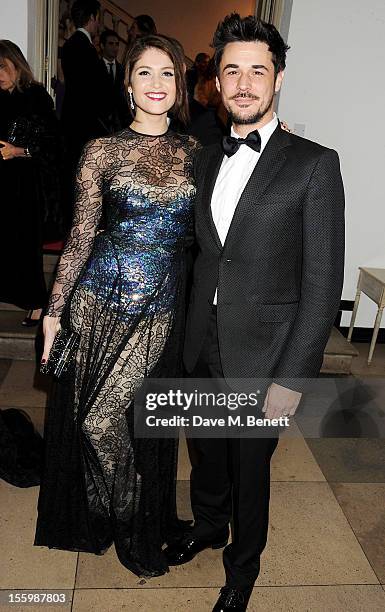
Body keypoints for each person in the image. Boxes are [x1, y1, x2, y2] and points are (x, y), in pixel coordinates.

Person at [165, 13, 345, 612]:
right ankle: (209, 525)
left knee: (250, 469)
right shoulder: (204, 157)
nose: (243, 83)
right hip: (200, 340)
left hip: (264, 352)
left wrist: (291, 378)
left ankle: (243, 569)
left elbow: (322, 284)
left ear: (279, 79)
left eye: (257, 71)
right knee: (207, 450)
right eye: (231, 70)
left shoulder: (315, 165)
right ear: (215, 79)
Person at [34, 34, 199, 578]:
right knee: (91, 421)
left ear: (181, 84)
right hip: (95, 302)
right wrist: (56, 311)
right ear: (127, 83)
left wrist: (277, 139)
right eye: (145, 73)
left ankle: (132, 525)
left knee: (103, 422)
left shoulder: (197, 152)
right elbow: (81, 235)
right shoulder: (101, 150)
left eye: (167, 74)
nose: (157, 84)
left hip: (157, 309)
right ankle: (114, 516)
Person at [0, 40, 62, 325]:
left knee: (26, 245)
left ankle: (37, 303)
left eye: (2, 67)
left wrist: (19, 151)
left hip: (27, 184)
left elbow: (52, 143)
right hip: (2, 180)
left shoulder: (36, 95)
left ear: (16, 64)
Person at [61, 0, 110, 226]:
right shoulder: (84, 47)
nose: (98, 23)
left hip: (74, 119)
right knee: (84, 174)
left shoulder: (72, 44)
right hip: (85, 121)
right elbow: (96, 88)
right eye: (98, 18)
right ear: (92, 18)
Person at [99, 29, 130, 132]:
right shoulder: (94, 68)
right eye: (111, 43)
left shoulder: (122, 70)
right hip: (100, 122)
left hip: (119, 124)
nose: (115, 47)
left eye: (117, 44)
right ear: (102, 46)